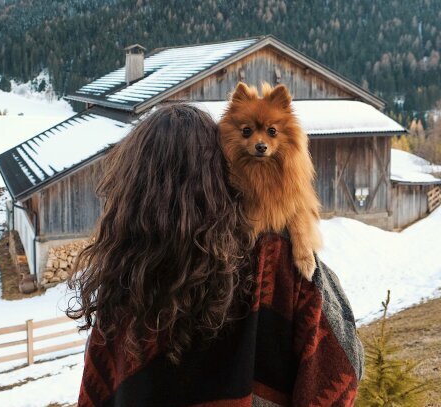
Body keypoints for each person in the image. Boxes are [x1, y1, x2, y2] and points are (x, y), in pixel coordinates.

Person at [67, 103, 364, 407]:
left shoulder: (123, 284)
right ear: (222, 173)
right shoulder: (273, 260)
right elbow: (342, 364)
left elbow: (97, 394)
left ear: (130, 193)